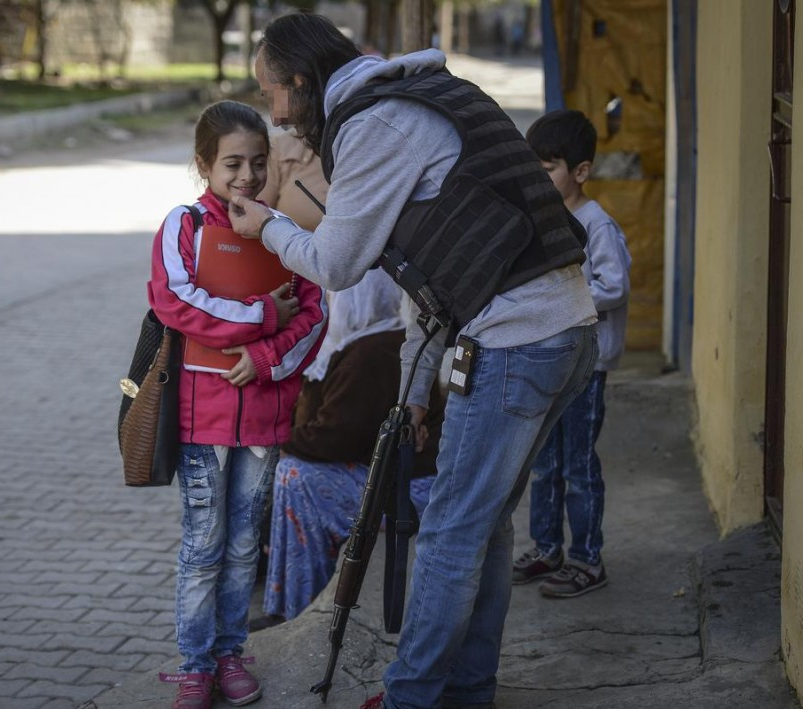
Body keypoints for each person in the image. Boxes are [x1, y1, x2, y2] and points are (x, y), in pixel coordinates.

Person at [228, 13, 599, 709]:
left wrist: (270, 226)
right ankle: (464, 690)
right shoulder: (423, 94)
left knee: (452, 533)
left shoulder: (375, 125)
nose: (275, 118)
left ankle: (411, 695)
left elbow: (337, 262)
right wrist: (418, 388)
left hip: (521, 340)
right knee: (482, 526)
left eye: (272, 95)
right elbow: (426, 273)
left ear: (302, 83)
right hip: (560, 330)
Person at [147, 99, 327, 709]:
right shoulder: (184, 227)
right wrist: (259, 315)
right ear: (203, 165)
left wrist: (268, 357)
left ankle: (230, 655)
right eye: (231, 164)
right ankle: (195, 664)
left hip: (266, 417)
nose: (246, 176)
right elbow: (177, 300)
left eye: (256, 163)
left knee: (246, 545)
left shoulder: (284, 233)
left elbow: (313, 313)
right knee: (204, 545)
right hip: (203, 420)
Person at [262, 268, 444, 623]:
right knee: (292, 470)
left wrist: (276, 441)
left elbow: (336, 438)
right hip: (389, 472)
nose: (330, 303)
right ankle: (287, 603)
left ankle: (299, 607)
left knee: (296, 477)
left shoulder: (373, 351)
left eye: (337, 297)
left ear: (358, 301)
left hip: (412, 489)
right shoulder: (368, 340)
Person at [513, 109, 632, 598]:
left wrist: (568, 295)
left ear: (580, 172)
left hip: (587, 367)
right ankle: (547, 548)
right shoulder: (543, 219)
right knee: (543, 461)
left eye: (548, 170)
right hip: (549, 361)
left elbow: (615, 286)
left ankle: (587, 559)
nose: (539, 180)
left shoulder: (596, 226)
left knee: (578, 468)